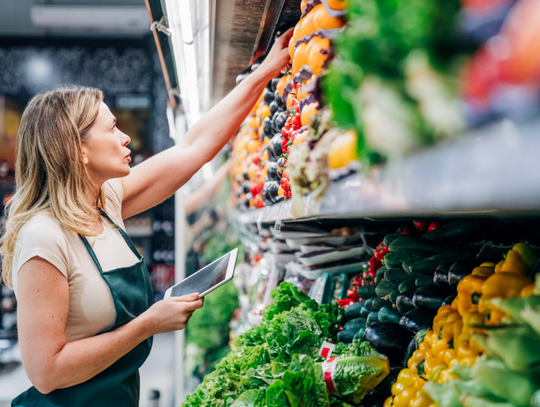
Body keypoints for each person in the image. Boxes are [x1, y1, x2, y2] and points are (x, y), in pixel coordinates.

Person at [0, 29, 292, 407]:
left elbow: (193, 147)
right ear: (79, 150)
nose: (125, 138)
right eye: (112, 128)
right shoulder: (44, 236)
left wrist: (265, 72)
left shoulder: (105, 201)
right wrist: (148, 325)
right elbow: (45, 372)